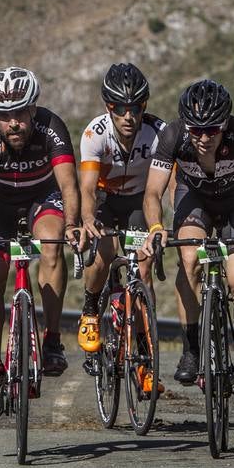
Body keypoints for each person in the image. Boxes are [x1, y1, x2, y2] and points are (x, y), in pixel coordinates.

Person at [0, 66, 83, 420]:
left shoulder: (51, 128)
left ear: (33, 109)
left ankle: (53, 339)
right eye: (4, 116)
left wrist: (73, 224)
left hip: (42, 199)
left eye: (20, 114)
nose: (13, 123)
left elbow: (69, 185)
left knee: (53, 244)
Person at [141, 79, 234, 396]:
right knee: (189, 261)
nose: (203, 138)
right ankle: (191, 348)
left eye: (212, 130)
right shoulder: (172, 136)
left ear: (225, 123)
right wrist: (156, 227)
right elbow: (152, 193)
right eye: (195, 130)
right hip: (195, 201)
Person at [75, 63, 167, 383]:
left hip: (140, 201)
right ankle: (89, 310)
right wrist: (87, 218)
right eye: (120, 108)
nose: (129, 116)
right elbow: (86, 188)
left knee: (143, 271)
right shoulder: (94, 134)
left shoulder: (159, 133)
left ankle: (145, 354)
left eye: (136, 108)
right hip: (104, 200)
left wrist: (162, 227)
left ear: (144, 106)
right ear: (108, 107)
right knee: (103, 254)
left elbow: (169, 187)